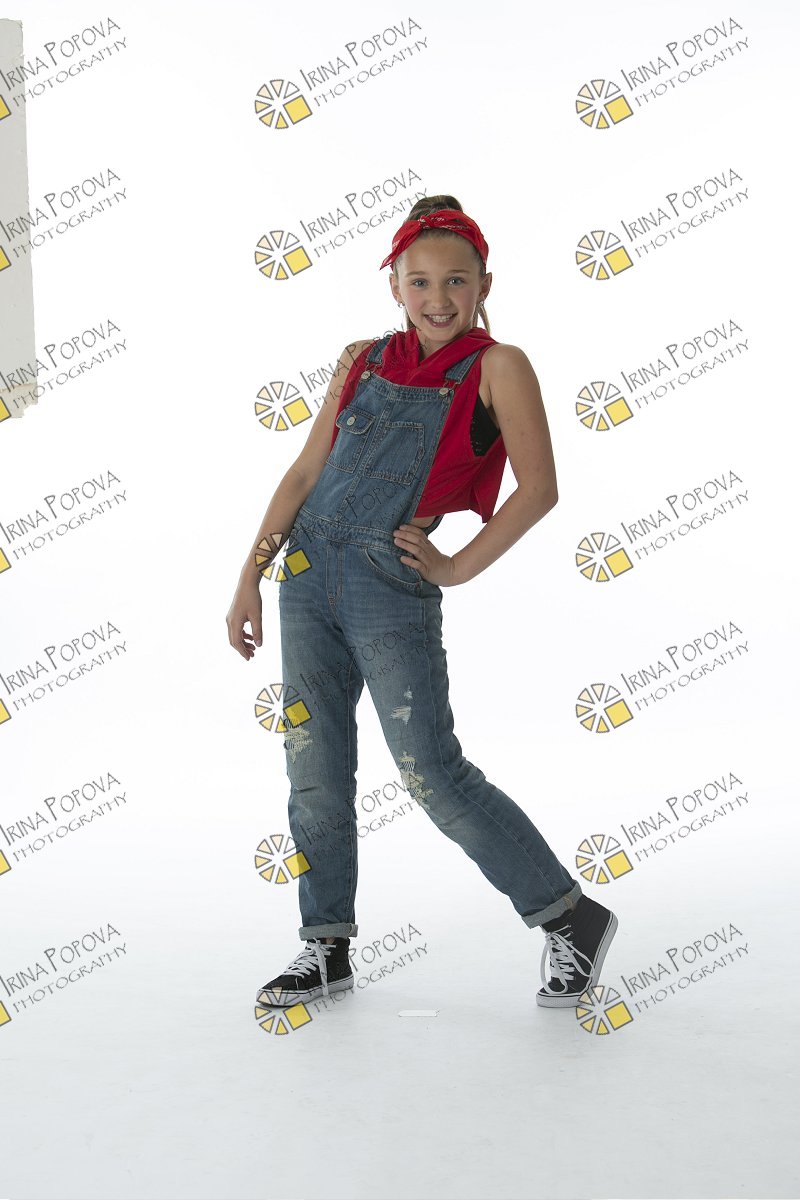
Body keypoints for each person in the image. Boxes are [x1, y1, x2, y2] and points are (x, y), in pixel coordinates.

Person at [226, 195, 618, 1013]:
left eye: (456, 281)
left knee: (431, 772)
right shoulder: (361, 360)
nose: (438, 298)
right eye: (420, 281)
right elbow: (304, 474)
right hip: (307, 577)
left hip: (388, 586)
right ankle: (325, 946)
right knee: (313, 769)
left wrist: (454, 568)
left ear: (484, 284)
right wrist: (249, 575)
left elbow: (539, 489)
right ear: (395, 285)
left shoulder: (499, 366)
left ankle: (569, 916)